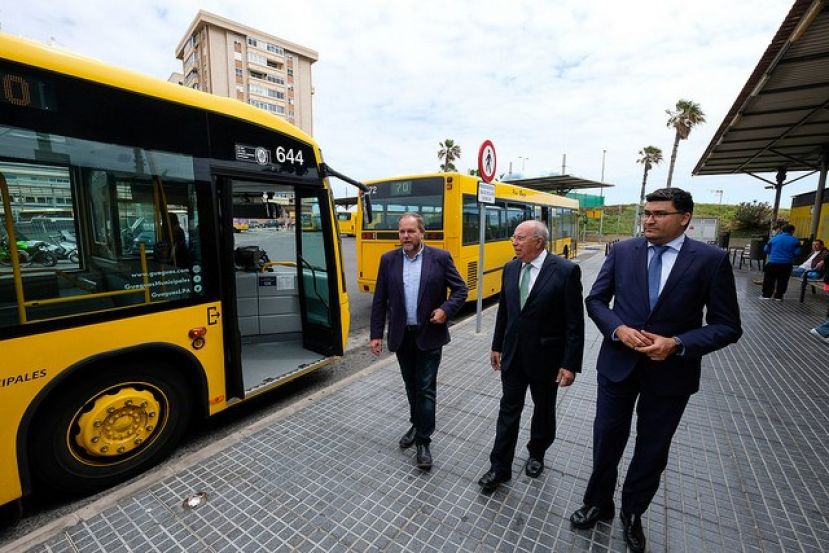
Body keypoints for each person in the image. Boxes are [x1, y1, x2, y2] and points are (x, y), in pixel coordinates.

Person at [569, 188, 742, 553]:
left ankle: (633, 513)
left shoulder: (710, 260)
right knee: (606, 439)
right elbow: (596, 300)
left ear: (684, 219)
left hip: (670, 374)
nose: (649, 219)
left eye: (659, 214)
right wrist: (618, 329)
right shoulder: (623, 251)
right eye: (647, 212)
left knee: (652, 448)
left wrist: (677, 344)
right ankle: (598, 502)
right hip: (617, 366)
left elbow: (728, 326)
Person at [477, 220, 584, 494]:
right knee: (508, 409)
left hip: (547, 358)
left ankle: (537, 452)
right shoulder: (511, 268)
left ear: (538, 241)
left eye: (520, 238)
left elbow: (574, 323)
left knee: (544, 409)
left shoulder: (565, 271)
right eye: (514, 237)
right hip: (513, 355)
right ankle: (499, 467)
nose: (514, 242)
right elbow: (505, 311)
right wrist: (497, 344)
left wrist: (570, 364)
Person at [370, 213, 468, 471]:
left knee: (425, 388)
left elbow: (461, 290)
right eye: (401, 232)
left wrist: (446, 310)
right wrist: (375, 334)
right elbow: (380, 299)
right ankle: (417, 424)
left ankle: (424, 441)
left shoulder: (440, 258)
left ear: (422, 233)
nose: (405, 236)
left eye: (410, 231)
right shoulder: (388, 260)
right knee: (411, 385)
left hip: (429, 335)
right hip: (402, 336)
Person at [761, 224, 801, 300]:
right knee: (783, 280)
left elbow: (766, 250)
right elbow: (797, 253)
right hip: (786, 264)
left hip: (772, 263)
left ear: (782, 231)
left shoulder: (773, 239)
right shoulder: (795, 240)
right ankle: (778, 296)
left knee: (769, 279)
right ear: (792, 231)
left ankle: (766, 295)